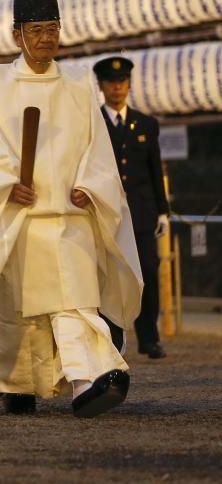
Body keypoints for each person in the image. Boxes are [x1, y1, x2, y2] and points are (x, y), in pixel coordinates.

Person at [0, 0, 143, 418]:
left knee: (74, 303)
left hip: (72, 216)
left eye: (52, 29)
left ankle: (89, 379)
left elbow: (97, 148)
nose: (46, 40)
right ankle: (20, 384)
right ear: (17, 35)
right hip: (19, 220)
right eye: (36, 30)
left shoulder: (79, 85)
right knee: (20, 316)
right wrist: (5, 183)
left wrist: (90, 184)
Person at [94, 56, 170, 360]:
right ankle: (111, 336)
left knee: (149, 273)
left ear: (129, 84)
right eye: (111, 83)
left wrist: (163, 211)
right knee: (109, 276)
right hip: (107, 214)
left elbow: (154, 170)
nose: (117, 88)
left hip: (141, 214)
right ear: (100, 86)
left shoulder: (146, 125)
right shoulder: (93, 122)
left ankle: (149, 338)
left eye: (122, 82)